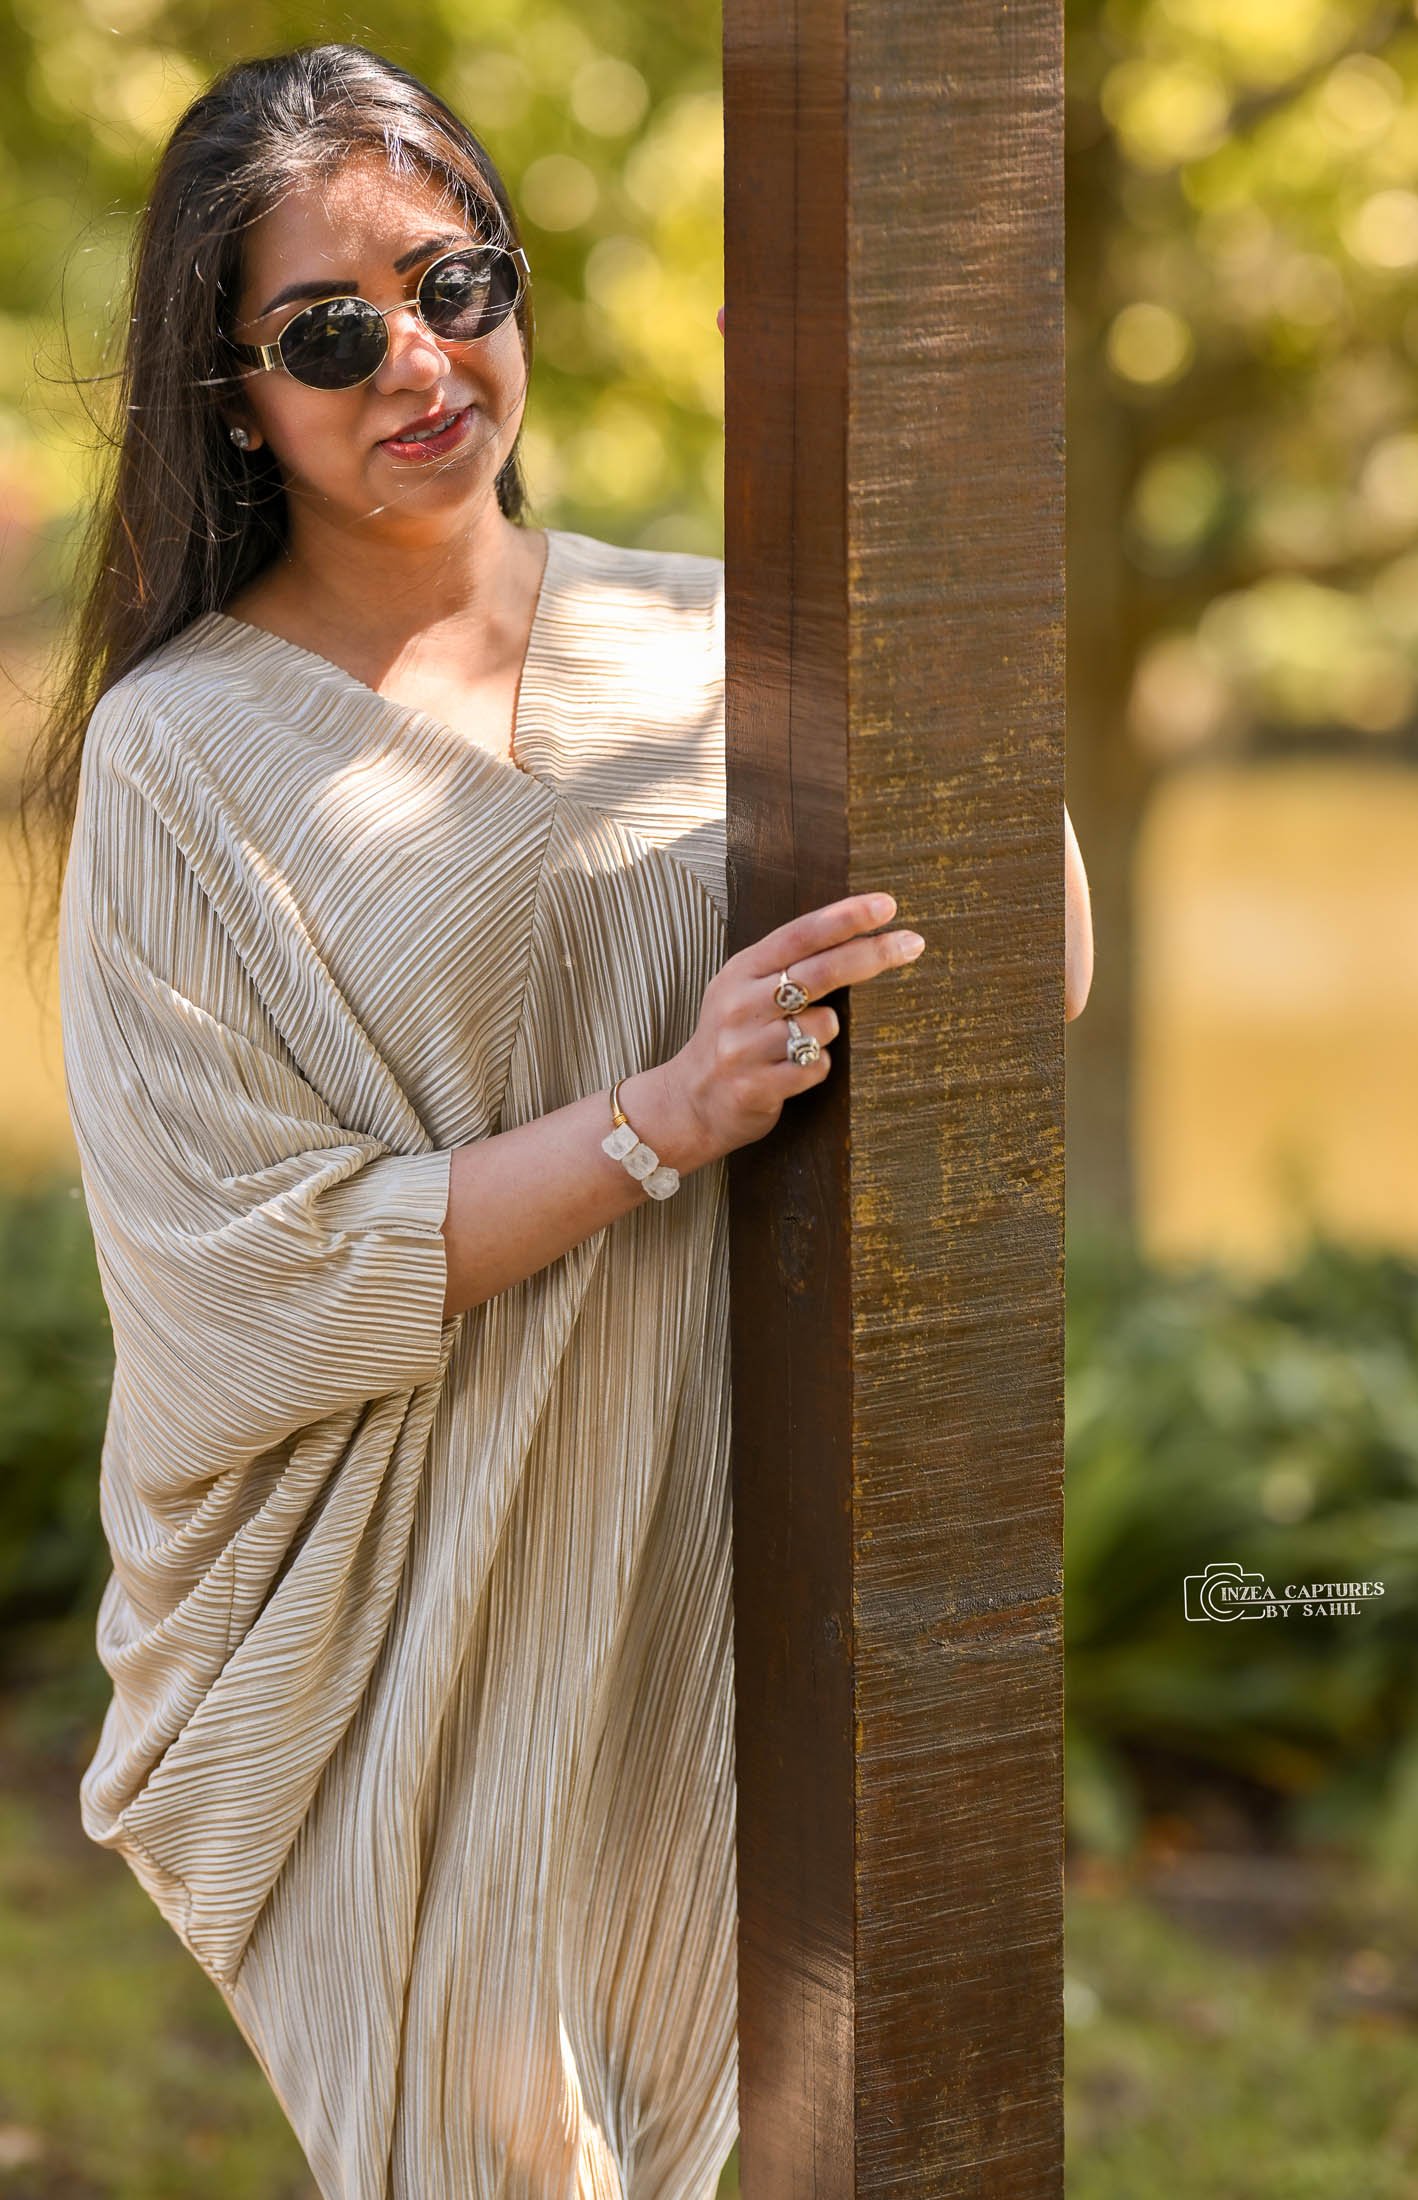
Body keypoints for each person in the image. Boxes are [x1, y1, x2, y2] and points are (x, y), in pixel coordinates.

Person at [31, 38, 1091, 2200]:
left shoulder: (725, 634)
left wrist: (966, 677)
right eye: (330, 332)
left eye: (457, 283)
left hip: (710, 1533)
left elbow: (1018, 979)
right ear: (231, 392)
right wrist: (655, 1117)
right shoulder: (182, 755)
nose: (418, 360)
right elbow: (237, 1270)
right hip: (418, 1610)